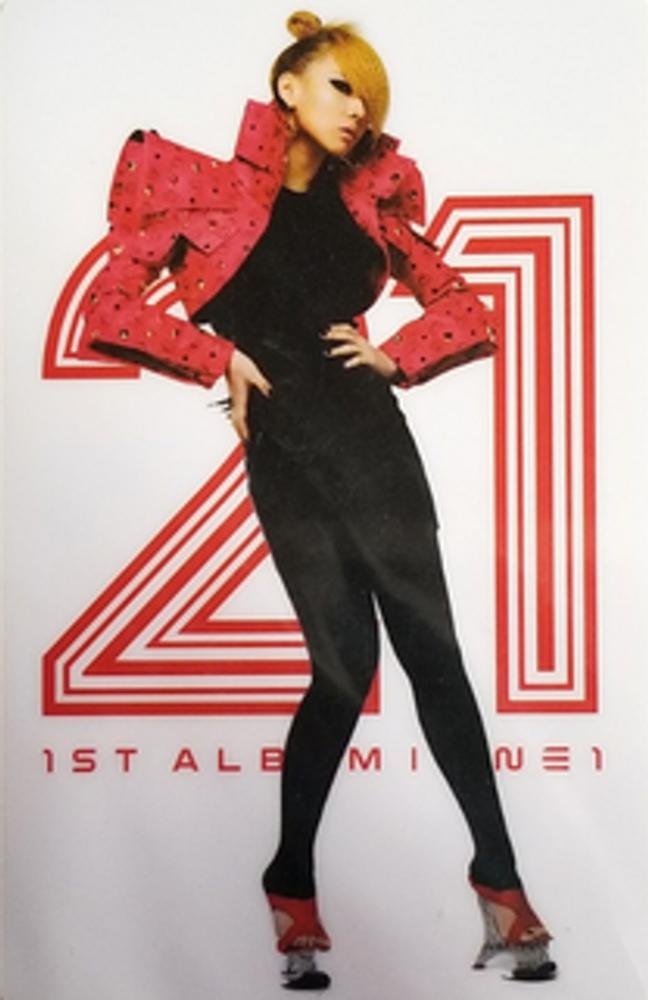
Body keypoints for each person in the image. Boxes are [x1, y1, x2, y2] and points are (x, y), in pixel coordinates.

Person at [79, 11, 557, 990]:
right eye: (343, 87)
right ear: (289, 86)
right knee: (344, 671)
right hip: (288, 457)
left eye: (370, 101)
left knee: (435, 658)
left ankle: (500, 878)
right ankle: (290, 876)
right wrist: (216, 357)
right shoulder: (202, 194)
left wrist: (397, 355)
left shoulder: (367, 204)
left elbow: (466, 304)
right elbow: (108, 306)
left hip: (375, 446)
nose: (358, 112)